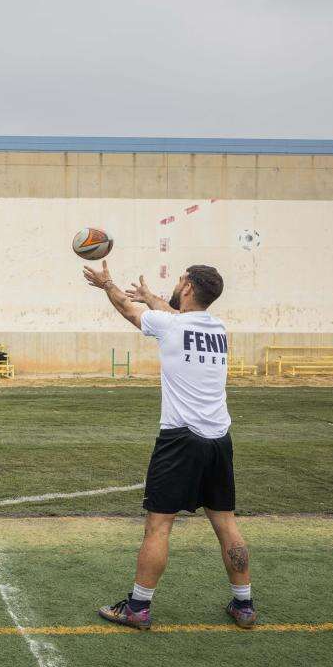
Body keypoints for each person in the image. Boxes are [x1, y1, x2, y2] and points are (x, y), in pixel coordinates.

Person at [82, 261, 256, 630]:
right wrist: (152, 297)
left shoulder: (170, 324)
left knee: (158, 526)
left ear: (189, 288)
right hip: (219, 440)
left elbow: (128, 310)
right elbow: (173, 315)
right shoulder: (219, 329)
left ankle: (138, 608)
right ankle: (244, 605)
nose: (176, 286)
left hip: (180, 440)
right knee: (226, 524)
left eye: (180, 281)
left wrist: (107, 284)